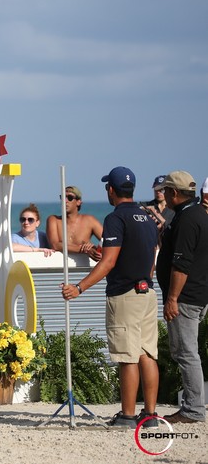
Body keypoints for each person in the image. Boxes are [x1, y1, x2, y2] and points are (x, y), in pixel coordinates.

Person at [61, 167, 159, 429]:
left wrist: (78, 288)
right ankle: (150, 415)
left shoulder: (116, 219)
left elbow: (109, 261)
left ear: (111, 190)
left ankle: (127, 415)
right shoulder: (147, 216)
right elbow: (152, 257)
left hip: (125, 295)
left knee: (127, 356)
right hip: (148, 291)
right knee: (147, 354)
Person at [154, 171, 208, 425]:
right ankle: (193, 406)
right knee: (186, 351)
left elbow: (181, 265)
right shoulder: (197, 214)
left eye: (165, 191)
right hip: (196, 293)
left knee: (186, 353)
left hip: (185, 297)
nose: (162, 194)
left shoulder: (187, 219)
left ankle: (193, 409)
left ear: (174, 193)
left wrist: (172, 298)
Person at [46, 186, 103, 260]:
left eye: (70, 197)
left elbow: (108, 241)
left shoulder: (90, 220)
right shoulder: (53, 220)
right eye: (62, 197)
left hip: (84, 268)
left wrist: (97, 250)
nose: (65, 201)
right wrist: (83, 249)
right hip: (61, 268)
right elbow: (55, 245)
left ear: (78, 202)